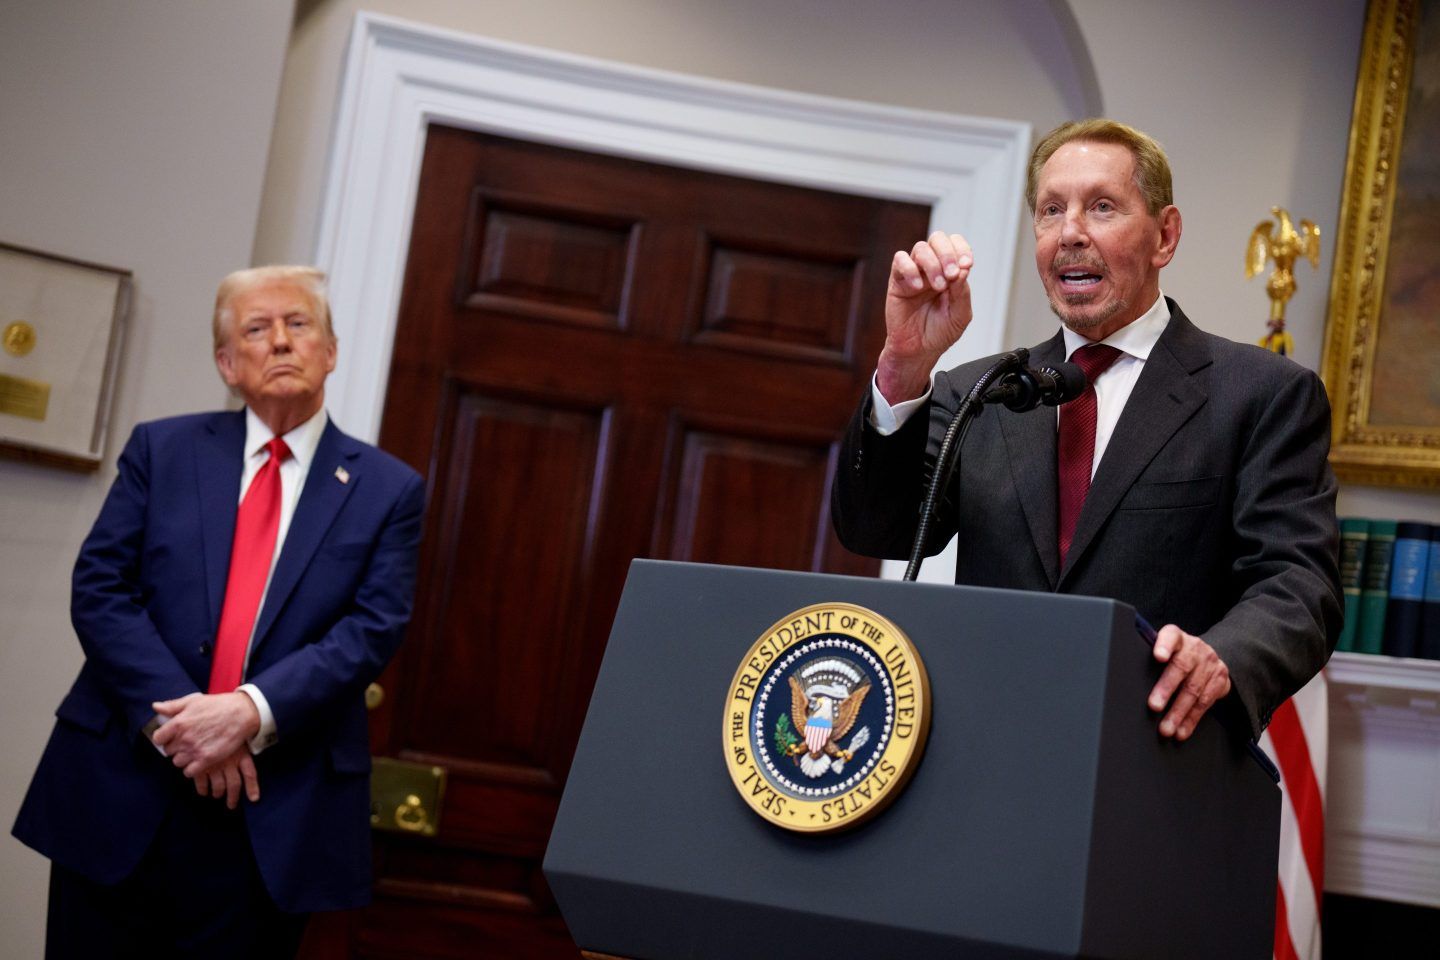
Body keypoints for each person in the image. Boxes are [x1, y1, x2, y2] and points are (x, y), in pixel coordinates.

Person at [832, 119, 1341, 743]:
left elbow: (1299, 586)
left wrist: (1220, 657)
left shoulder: (1259, 395)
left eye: (1102, 207)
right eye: (1051, 210)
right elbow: (875, 529)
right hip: (983, 747)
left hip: (1155, 757)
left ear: (1165, 235)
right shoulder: (980, 393)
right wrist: (904, 365)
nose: (1070, 232)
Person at [13, 266, 426, 957]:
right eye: (257, 329)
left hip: (270, 811)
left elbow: (370, 628)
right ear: (227, 364)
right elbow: (101, 587)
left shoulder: (388, 489)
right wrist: (184, 724)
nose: (281, 342)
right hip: (123, 785)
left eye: (299, 324)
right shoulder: (162, 450)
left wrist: (249, 712)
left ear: (330, 350)